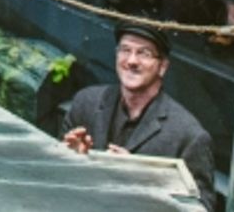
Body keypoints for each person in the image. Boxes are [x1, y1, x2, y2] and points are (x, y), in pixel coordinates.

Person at [62, 23, 215, 210]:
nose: (132, 61)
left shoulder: (189, 136)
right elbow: (53, 178)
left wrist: (140, 182)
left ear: (163, 67)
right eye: (125, 50)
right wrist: (72, 161)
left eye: (144, 53)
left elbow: (201, 208)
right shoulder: (85, 103)